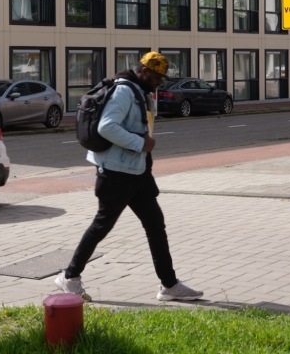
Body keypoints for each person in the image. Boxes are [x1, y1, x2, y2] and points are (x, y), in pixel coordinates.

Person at [55, 52, 203, 302]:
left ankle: (169, 285)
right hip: (116, 173)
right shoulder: (125, 92)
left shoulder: (140, 92)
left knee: (156, 225)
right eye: (157, 77)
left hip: (137, 173)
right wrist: (140, 143)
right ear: (144, 71)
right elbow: (107, 127)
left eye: (162, 79)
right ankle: (69, 277)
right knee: (102, 225)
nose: (159, 82)